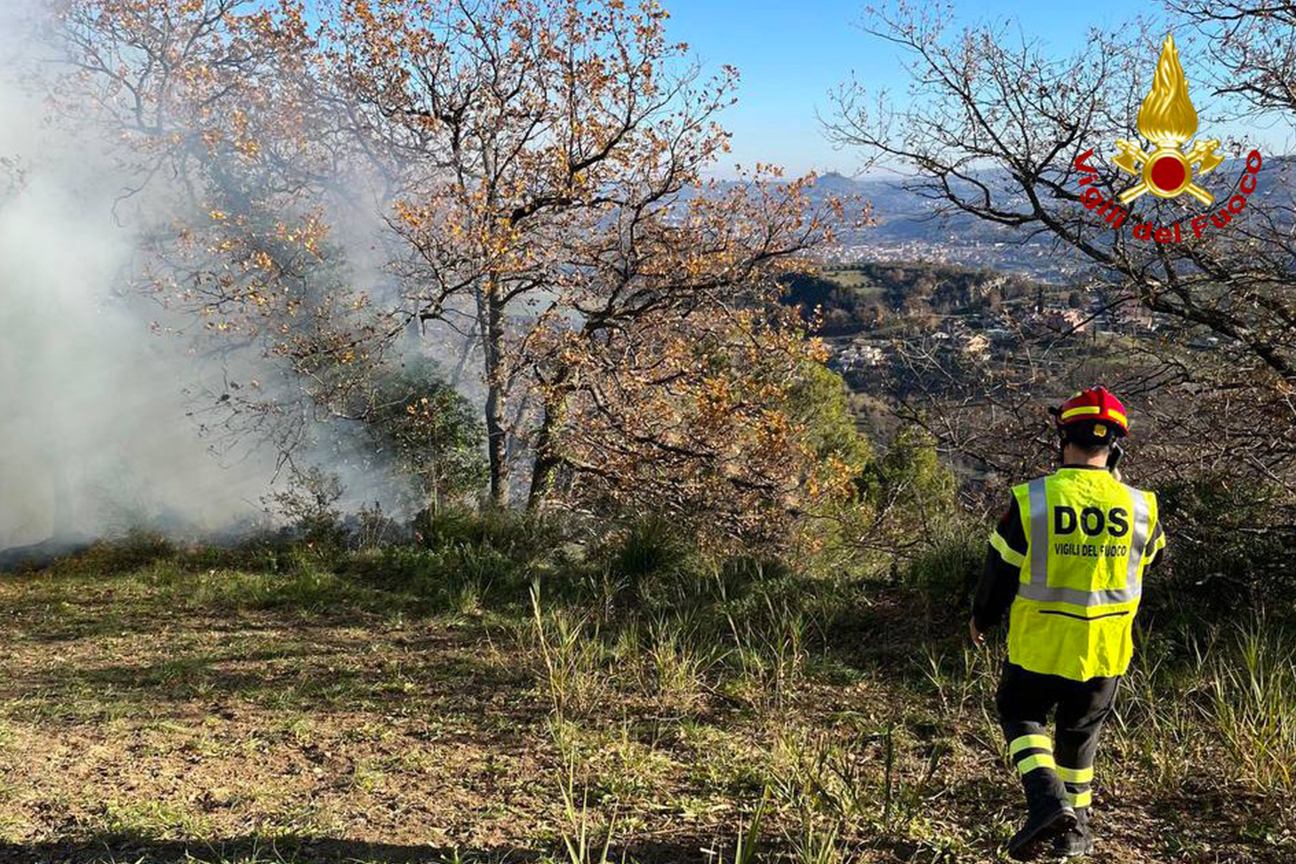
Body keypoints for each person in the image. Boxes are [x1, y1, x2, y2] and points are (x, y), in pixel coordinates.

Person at [969, 386, 1166, 860]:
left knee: (1020, 713)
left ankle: (1046, 800)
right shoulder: (1140, 507)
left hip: (1040, 642)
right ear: (1115, 444)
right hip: (1104, 649)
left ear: (1063, 437)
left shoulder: (1034, 500)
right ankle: (1076, 834)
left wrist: (983, 618)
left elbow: (1001, 570)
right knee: (1079, 737)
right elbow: (1153, 559)